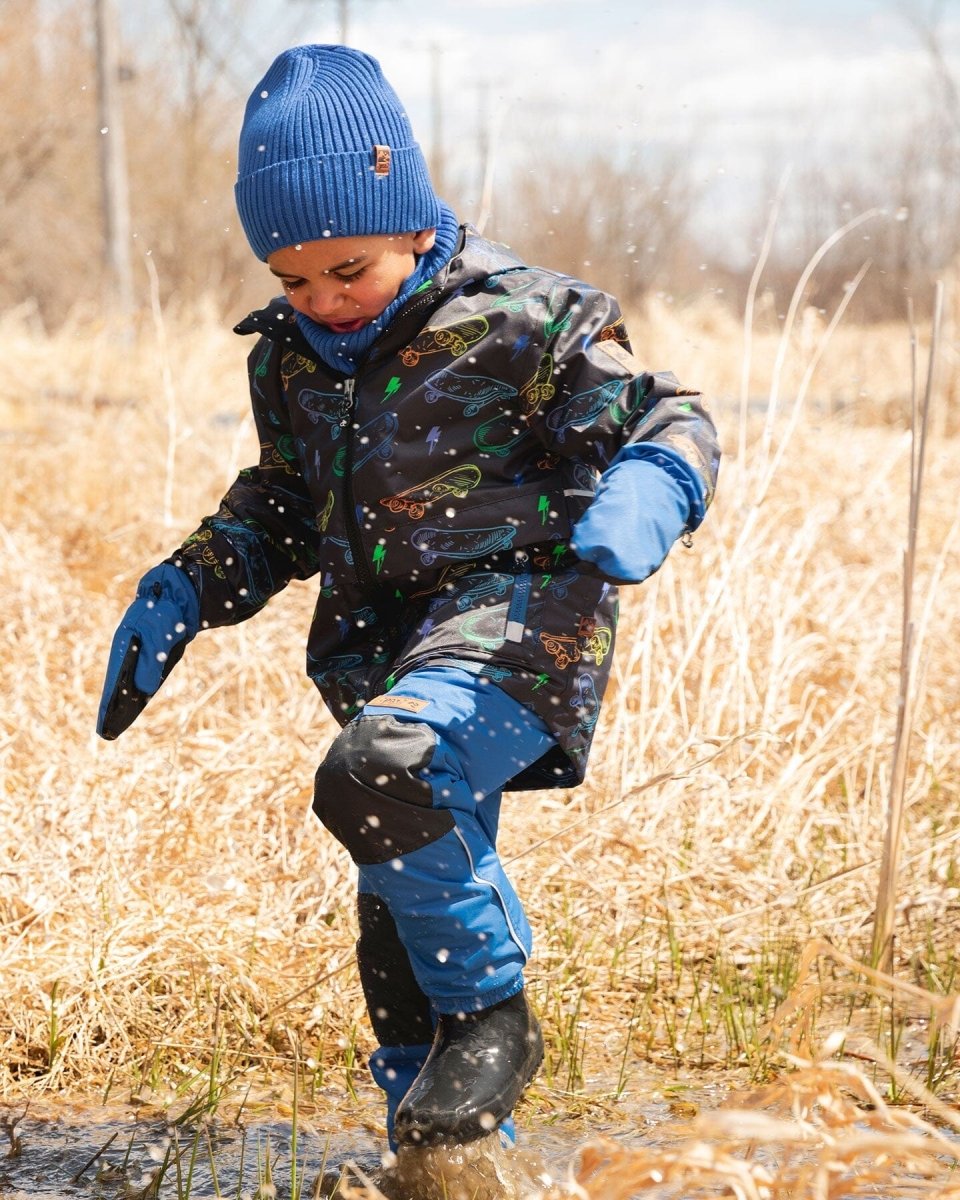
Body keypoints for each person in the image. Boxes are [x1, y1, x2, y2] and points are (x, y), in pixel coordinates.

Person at [97, 44, 720, 1151]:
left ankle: (495, 1018)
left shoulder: (525, 318)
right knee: (393, 917)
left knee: (380, 775)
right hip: (386, 658)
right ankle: (442, 1154)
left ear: (416, 225)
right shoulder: (289, 358)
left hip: (518, 630)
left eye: (351, 269)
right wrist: (189, 581)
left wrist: (654, 484)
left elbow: (670, 414)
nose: (323, 301)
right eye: (292, 279)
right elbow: (286, 499)